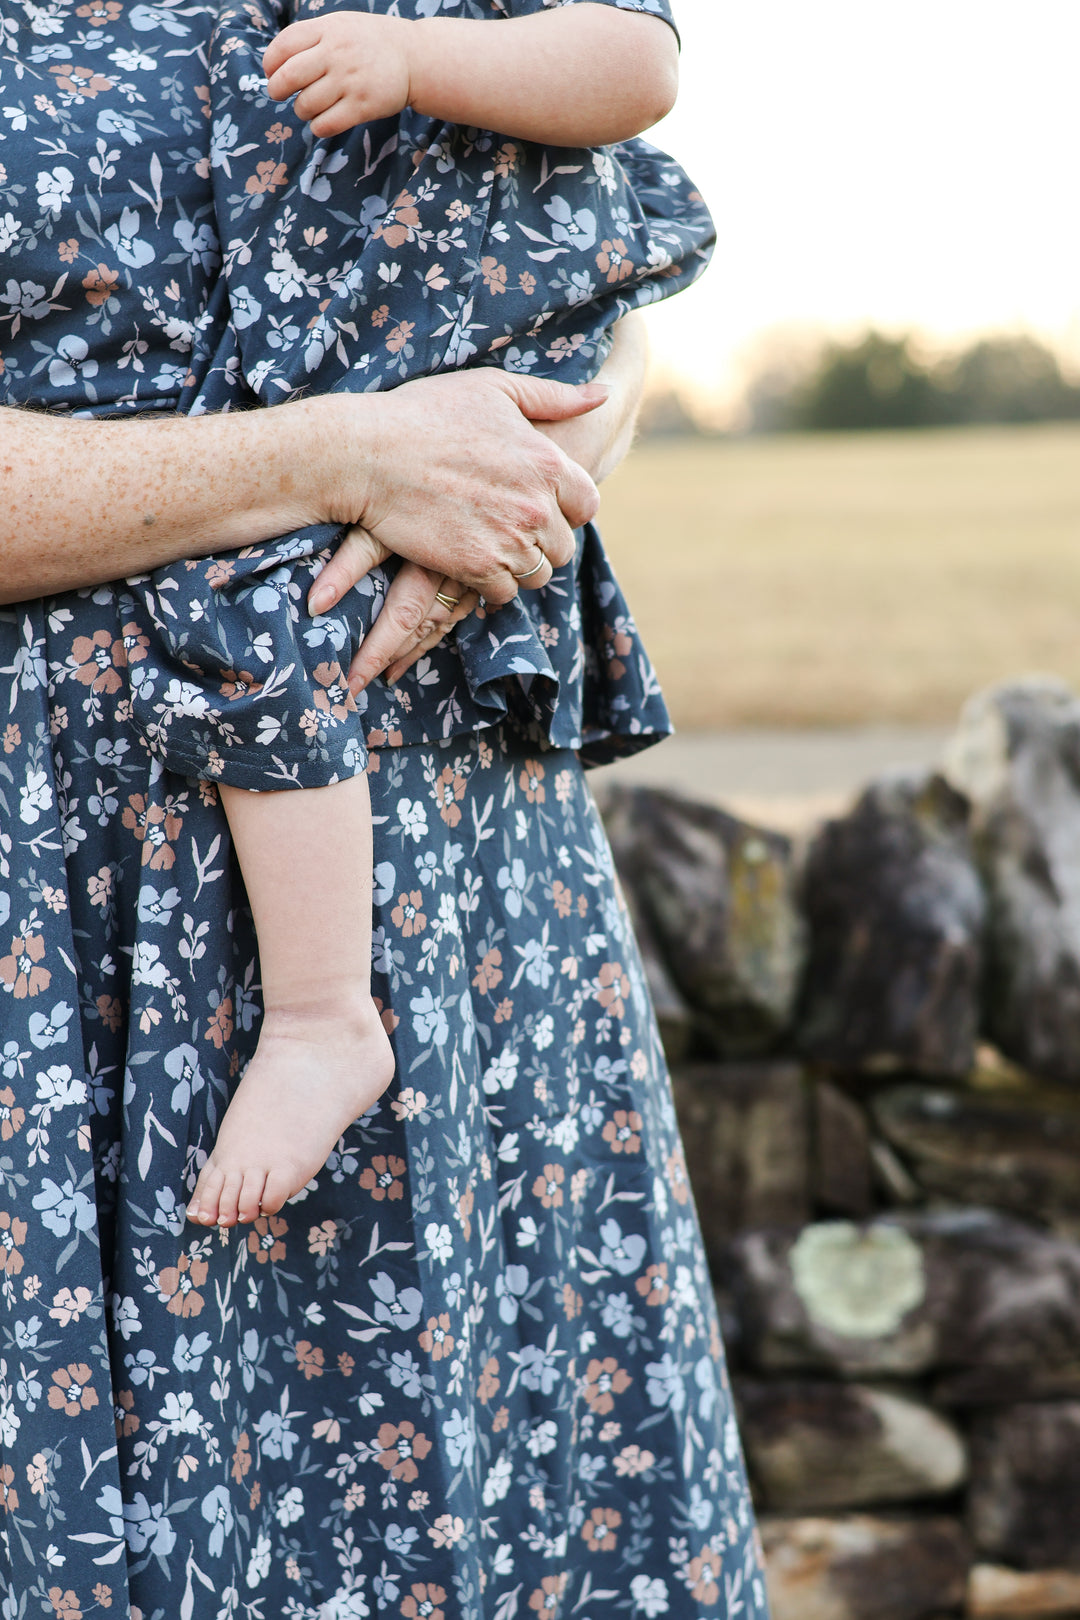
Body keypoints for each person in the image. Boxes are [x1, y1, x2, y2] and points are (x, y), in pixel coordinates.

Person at [0, 0, 770, 1614]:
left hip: (475, 918)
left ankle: (328, 1011)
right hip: (56, 948)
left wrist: (555, 433)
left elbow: (602, 199)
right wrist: (341, 457)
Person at [120, 0, 714, 1228]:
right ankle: (326, 1010)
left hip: (478, 316)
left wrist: (416, 56)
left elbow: (638, 65)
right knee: (275, 605)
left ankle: (324, 1014)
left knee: (294, 611)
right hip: (351, 366)